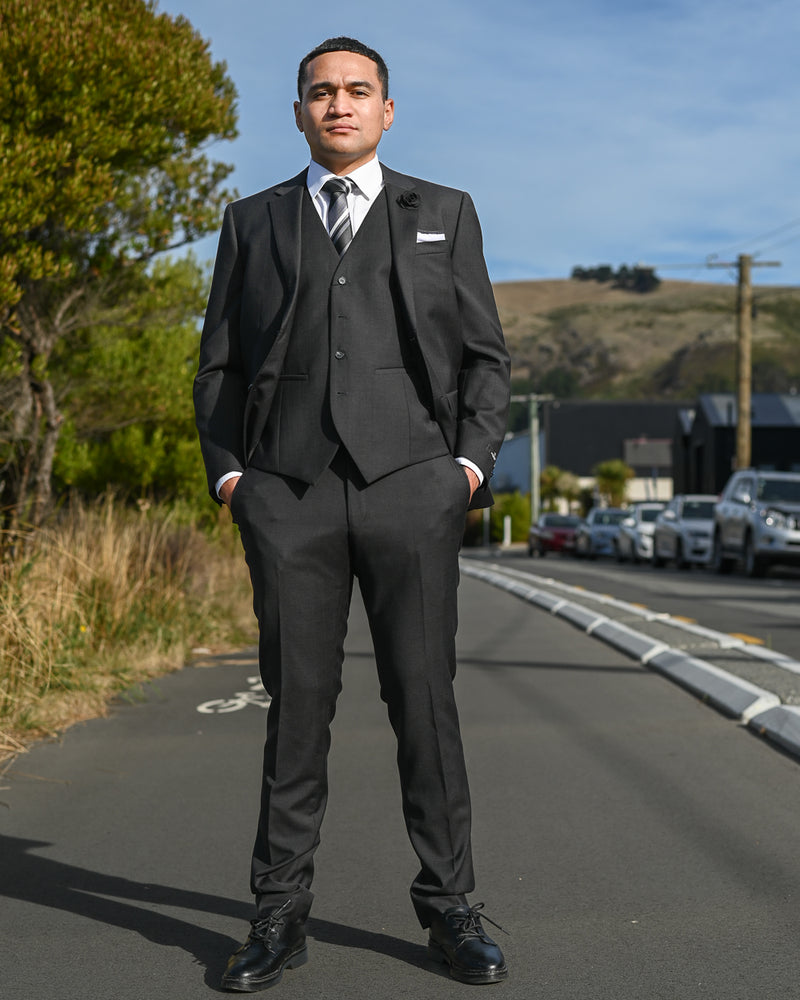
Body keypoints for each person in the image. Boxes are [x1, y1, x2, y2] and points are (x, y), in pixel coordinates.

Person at [193, 36, 511, 992]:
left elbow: (486, 358)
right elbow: (218, 366)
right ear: (297, 112)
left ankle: (451, 910)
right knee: (296, 713)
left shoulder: (443, 213)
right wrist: (231, 480)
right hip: (286, 495)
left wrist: (465, 467)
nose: (339, 104)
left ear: (385, 109)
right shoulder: (253, 221)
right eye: (320, 92)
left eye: (357, 90)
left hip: (412, 489)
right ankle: (279, 917)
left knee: (425, 706)